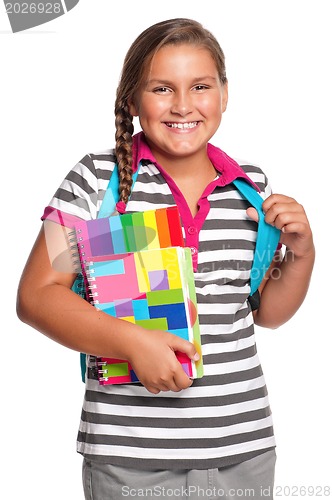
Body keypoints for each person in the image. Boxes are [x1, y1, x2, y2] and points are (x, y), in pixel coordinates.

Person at [17, 18, 314, 500]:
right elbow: (36, 295)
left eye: (200, 86)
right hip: (130, 457)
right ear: (133, 100)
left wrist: (301, 255)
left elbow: (267, 312)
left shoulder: (253, 188)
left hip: (244, 448)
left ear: (224, 93)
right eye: (161, 88)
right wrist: (132, 342)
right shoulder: (95, 181)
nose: (182, 105)